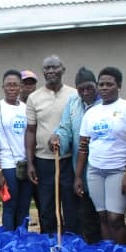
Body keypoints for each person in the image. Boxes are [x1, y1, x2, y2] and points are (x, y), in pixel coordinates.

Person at [73, 67, 126, 244]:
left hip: (118, 171)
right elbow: (83, 146)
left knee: (115, 218)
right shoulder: (91, 113)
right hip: (95, 171)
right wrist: (78, 176)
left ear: (118, 85)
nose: (104, 88)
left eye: (109, 84)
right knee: (102, 216)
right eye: (101, 84)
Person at [26, 55, 77, 236]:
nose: (51, 71)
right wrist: (30, 163)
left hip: (67, 159)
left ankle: (71, 243)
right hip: (43, 161)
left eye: (55, 67)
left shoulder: (74, 94)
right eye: (47, 68)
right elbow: (31, 131)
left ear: (63, 69)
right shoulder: (34, 98)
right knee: (47, 206)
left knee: (70, 205)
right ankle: (50, 242)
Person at [54, 67, 103, 243]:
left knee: (103, 215)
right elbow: (65, 128)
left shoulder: (104, 104)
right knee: (85, 214)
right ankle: (89, 250)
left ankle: (107, 251)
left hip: (100, 168)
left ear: (96, 85)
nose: (86, 92)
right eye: (81, 89)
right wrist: (58, 138)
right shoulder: (73, 103)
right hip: (79, 169)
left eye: (89, 87)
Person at [0, 69, 31, 231]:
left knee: (24, 206)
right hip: (7, 165)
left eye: (15, 85)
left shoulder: (26, 108)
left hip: (25, 165)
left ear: (21, 87)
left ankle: (23, 241)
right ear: (3, 87)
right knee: (10, 206)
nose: (12, 88)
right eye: (8, 85)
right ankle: (9, 243)